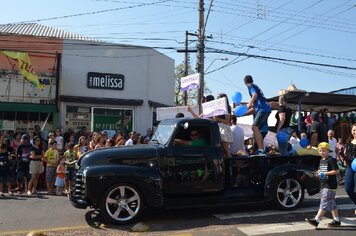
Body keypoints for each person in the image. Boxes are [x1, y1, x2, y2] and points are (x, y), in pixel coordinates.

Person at [305, 142, 340, 227]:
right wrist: (318, 172)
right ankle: (337, 220)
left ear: (328, 151)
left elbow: (336, 171)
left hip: (330, 185)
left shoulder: (331, 160)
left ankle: (316, 220)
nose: (321, 152)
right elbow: (320, 170)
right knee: (331, 203)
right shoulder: (321, 160)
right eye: (320, 151)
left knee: (324, 202)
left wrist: (325, 173)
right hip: (323, 185)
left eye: (324, 151)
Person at [244, 75, 271, 155]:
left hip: (263, 109)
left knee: (254, 127)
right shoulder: (256, 86)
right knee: (257, 130)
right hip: (266, 108)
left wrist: (249, 103)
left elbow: (254, 95)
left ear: (245, 82)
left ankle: (260, 150)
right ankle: (261, 150)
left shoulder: (250, 86)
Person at [344, 123, 356, 215]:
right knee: (348, 188)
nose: (355, 132)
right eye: (354, 130)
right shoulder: (348, 142)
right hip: (349, 167)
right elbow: (346, 154)